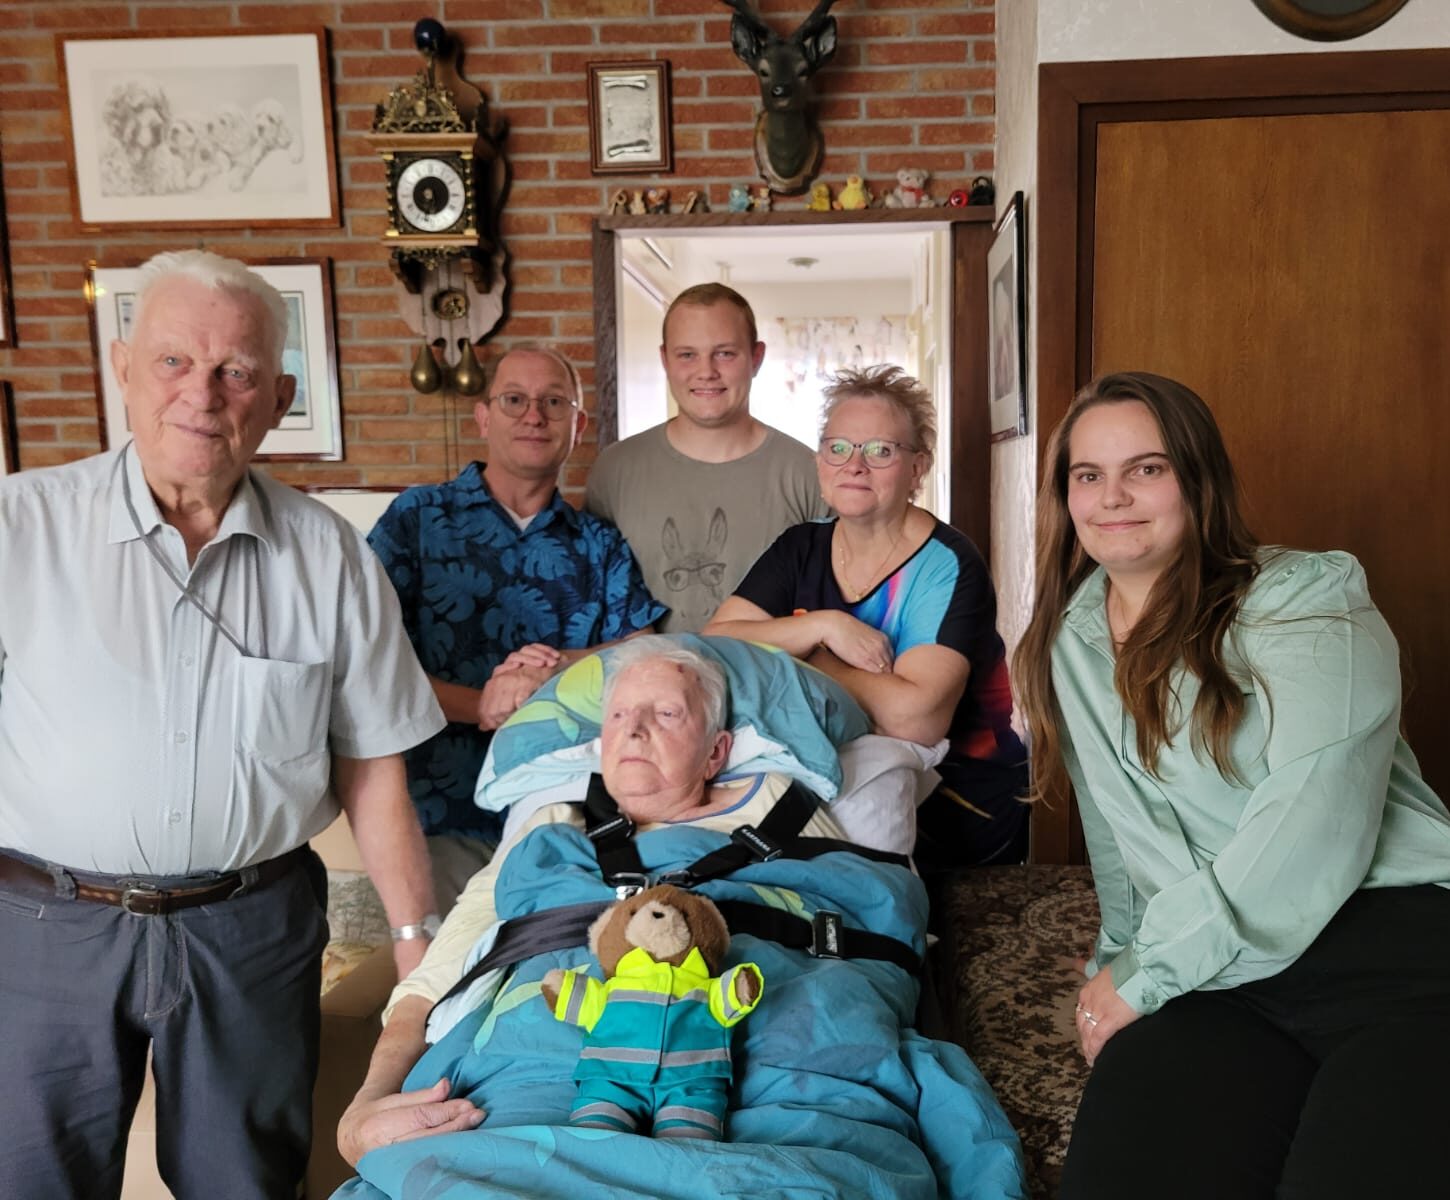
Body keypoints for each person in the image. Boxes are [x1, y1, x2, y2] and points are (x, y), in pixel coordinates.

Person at [0, 250, 446, 1200]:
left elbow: (373, 772)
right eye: (173, 361)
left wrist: (417, 953)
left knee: (246, 1184)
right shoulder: (19, 528)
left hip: (250, 931)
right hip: (44, 925)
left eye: (235, 371)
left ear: (279, 397)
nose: (200, 394)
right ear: (122, 368)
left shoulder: (329, 556)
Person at [1011, 371, 1450, 1199]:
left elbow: (1314, 822)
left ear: (1198, 478)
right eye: (1088, 475)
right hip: (1222, 978)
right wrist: (1116, 968)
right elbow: (1121, 836)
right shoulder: (1070, 637)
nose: (1113, 497)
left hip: (1391, 949)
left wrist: (1150, 973)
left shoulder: (1302, 597)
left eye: (1146, 469)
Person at [337, 638, 849, 1163]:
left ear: (716, 750)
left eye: (666, 713)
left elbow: (863, 928)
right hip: (535, 1081)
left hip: (750, 1073)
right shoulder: (551, 827)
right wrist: (361, 1111)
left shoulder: (779, 808)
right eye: (619, 714)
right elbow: (435, 979)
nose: (634, 728)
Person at [369, 345, 664, 909]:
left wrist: (553, 670)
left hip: (564, 818)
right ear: (483, 417)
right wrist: (482, 704)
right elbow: (366, 661)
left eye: (553, 402)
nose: (534, 416)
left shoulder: (598, 543)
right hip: (437, 812)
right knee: (440, 962)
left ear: (577, 426)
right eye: (514, 400)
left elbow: (642, 653)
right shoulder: (417, 519)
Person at [704, 365, 1028, 870]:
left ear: (918, 469)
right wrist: (823, 626)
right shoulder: (799, 547)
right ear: (820, 462)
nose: (854, 465)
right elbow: (717, 644)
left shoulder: (948, 563)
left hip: (959, 812)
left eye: (880, 450)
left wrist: (807, 659)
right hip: (841, 795)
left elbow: (914, 719)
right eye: (838, 447)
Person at [585, 283, 828, 633]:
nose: (706, 371)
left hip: (771, 670)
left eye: (725, 353)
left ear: (756, 358)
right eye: (687, 355)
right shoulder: (614, 471)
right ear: (665, 360)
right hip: (641, 668)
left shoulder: (808, 474)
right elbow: (596, 603)